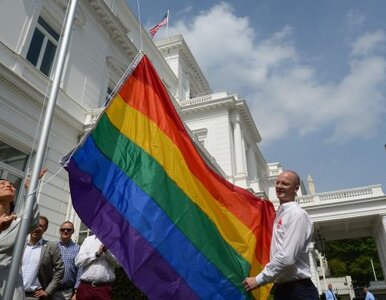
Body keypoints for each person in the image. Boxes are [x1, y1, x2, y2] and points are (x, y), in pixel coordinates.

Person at [243, 170, 319, 300]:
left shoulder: (297, 215)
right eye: (277, 182)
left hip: (298, 291)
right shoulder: (281, 214)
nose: (279, 186)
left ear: (296, 188)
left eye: (285, 184)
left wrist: (259, 279)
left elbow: (287, 257)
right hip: (284, 289)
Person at [0, 171, 46, 299]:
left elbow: (33, 219)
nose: (8, 185)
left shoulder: (17, 221)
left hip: (11, 287)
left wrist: (30, 188)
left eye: (11, 184)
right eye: (2, 183)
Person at [22, 216, 64, 299]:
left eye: (40, 226)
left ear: (45, 229)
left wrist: (48, 291)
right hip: (14, 292)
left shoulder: (51, 246)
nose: (36, 228)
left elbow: (60, 270)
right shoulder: (21, 245)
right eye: (34, 224)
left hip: (34, 296)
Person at [75, 234, 118, 300]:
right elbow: (78, 261)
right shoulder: (88, 240)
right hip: (85, 287)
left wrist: (107, 252)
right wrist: (96, 254)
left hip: (104, 289)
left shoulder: (114, 242)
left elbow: (119, 264)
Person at [53, 221, 80, 300]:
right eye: (63, 229)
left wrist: (76, 292)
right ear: (59, 231)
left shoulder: (77, 249)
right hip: (49, 290)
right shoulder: (52, 245)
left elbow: (80, 271)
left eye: (68, 229)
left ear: (73, 231)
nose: (65, 231)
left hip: (67, 292)